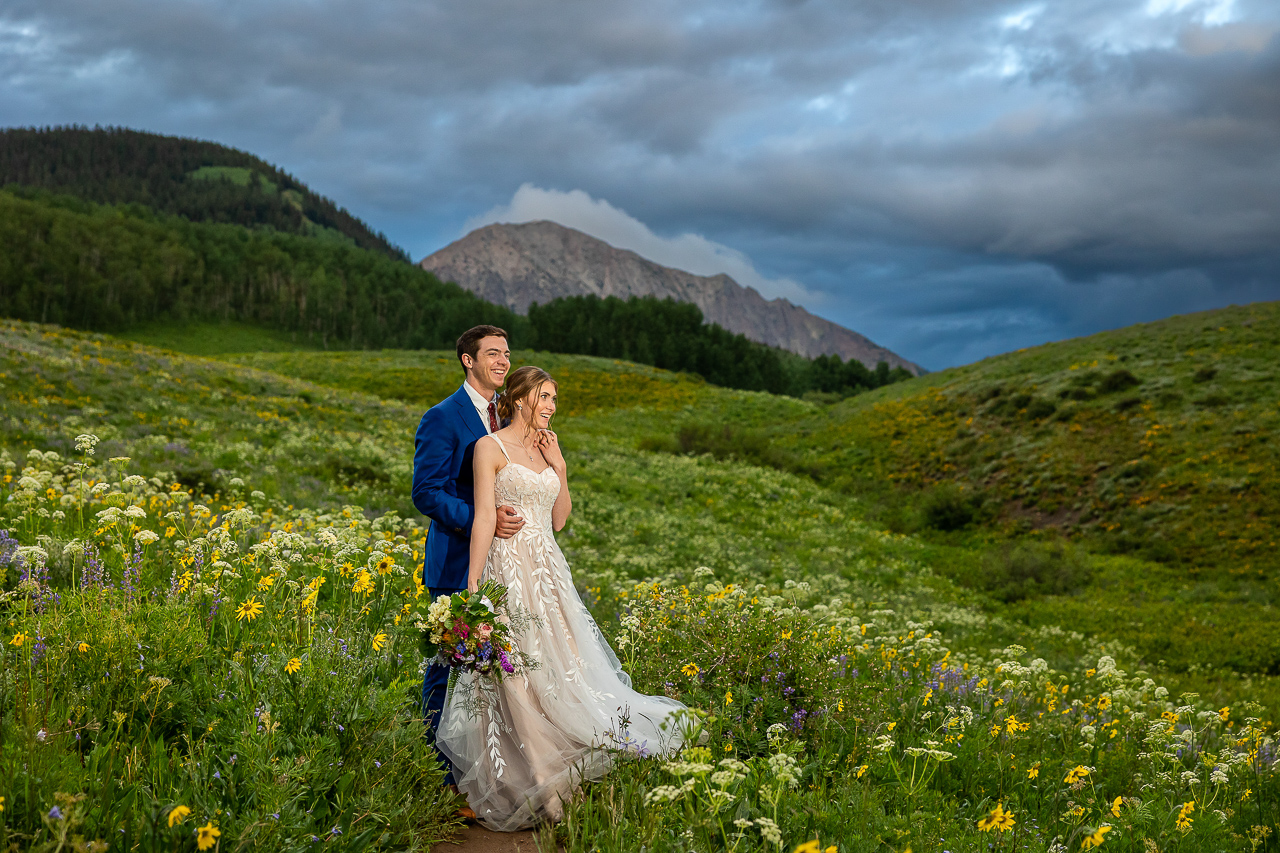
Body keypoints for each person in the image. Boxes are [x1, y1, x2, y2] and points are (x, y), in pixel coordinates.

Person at [435, 366, 690, 831]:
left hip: (550, 572)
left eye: (554, 398)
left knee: (560, 667)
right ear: (519, 399)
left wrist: (561, 469)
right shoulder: (487, 448)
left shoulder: (548, 446)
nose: (552, 406)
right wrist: (472, 589)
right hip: (508, 570)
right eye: (545, 397)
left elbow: (559, 521)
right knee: (516, 676)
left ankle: (567, 769)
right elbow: (485, 519)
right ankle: (543, 785)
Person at [412, 325, 526, 812]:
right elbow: (427, 492)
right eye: (493, 354)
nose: (502, 362)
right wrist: (482, 519)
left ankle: (485, 776)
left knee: (493, 673)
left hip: (501, 566)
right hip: (457, 560)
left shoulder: (506, 415)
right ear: (467, 360)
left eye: (506, 354)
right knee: (448, 668)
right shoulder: (443, 417)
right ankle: (435, 781)